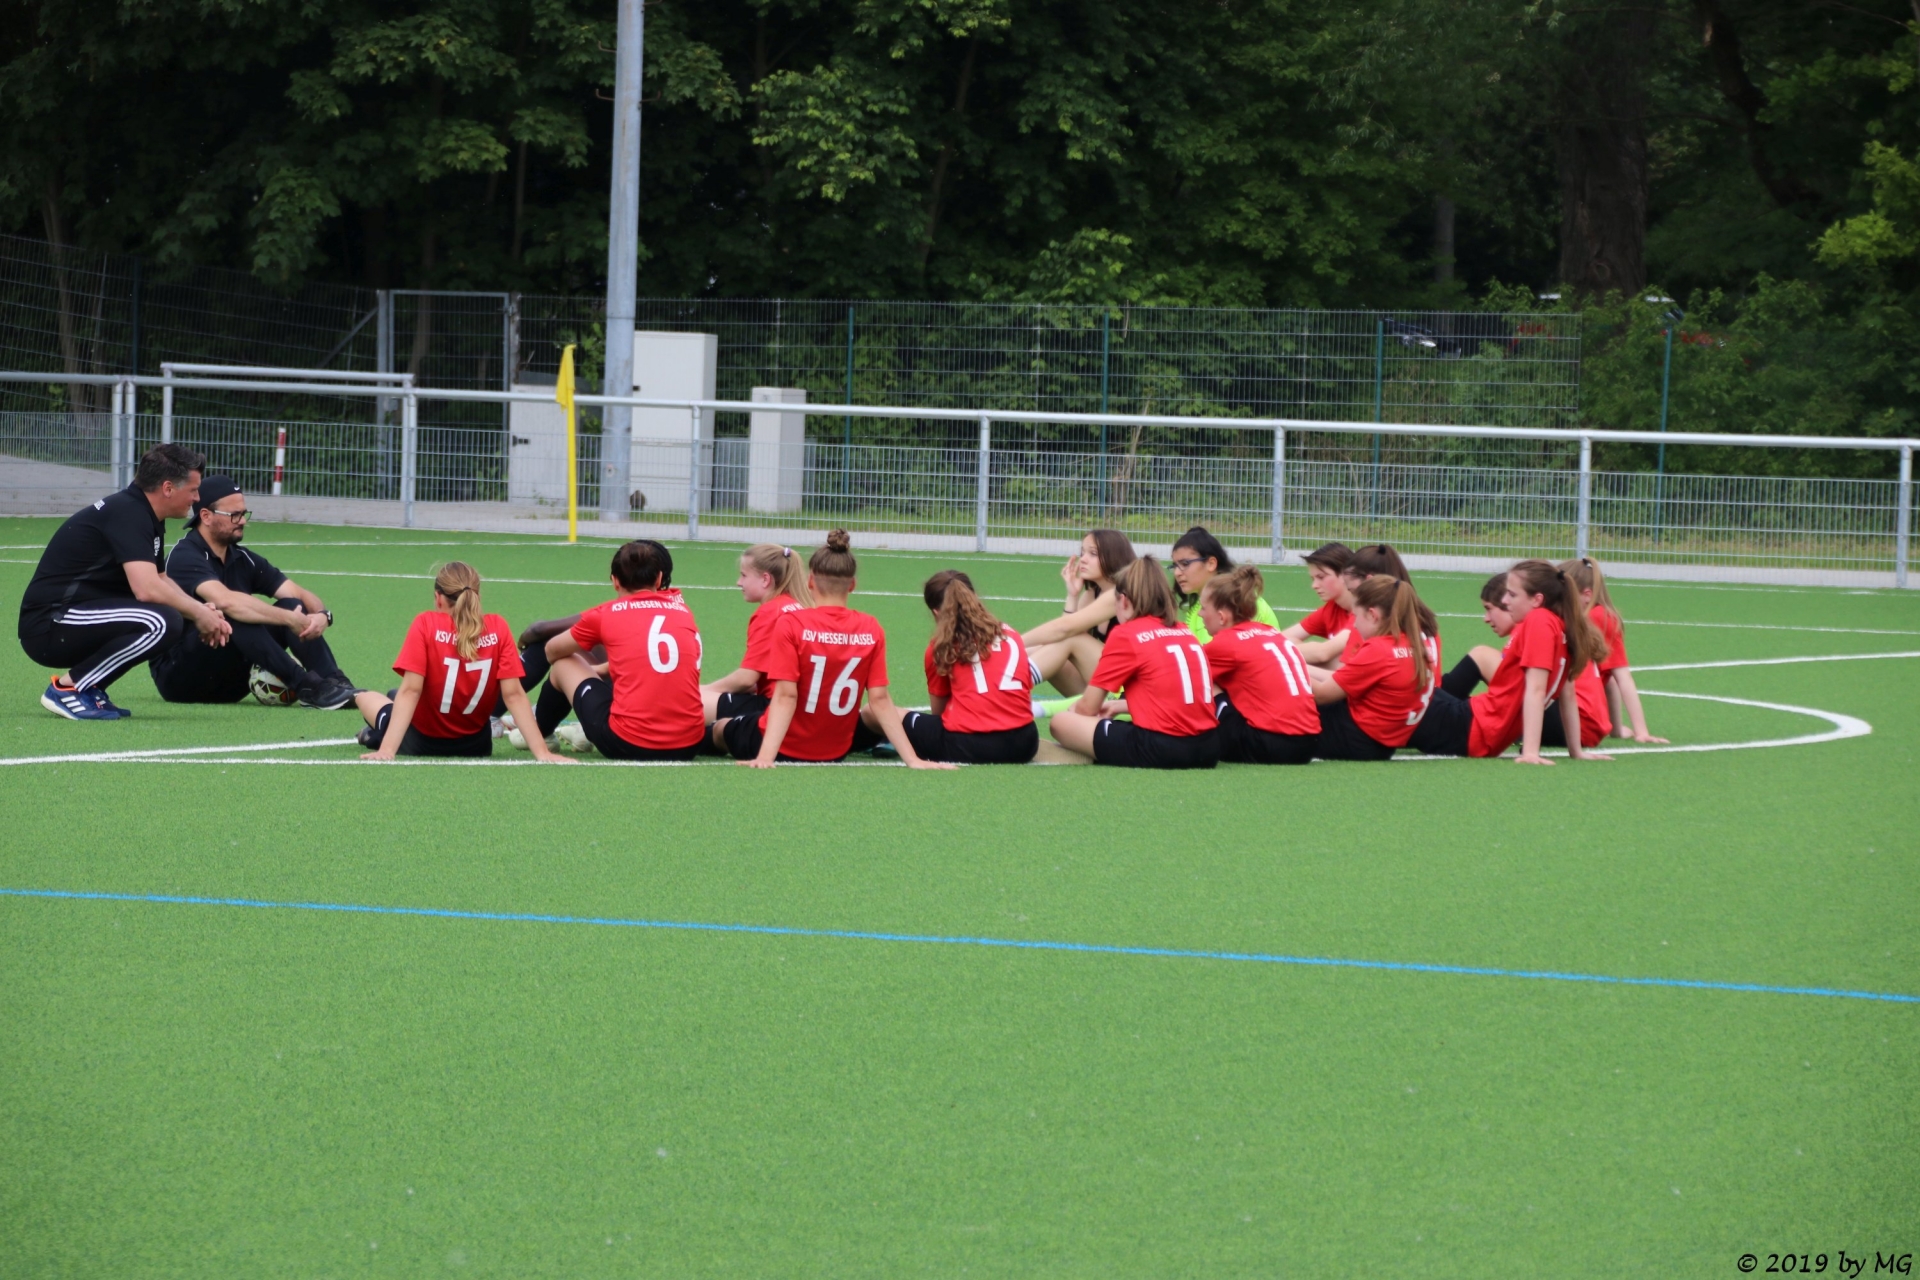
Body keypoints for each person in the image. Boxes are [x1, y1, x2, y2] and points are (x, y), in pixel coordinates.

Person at [17, 443, 232, 720]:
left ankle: (91, 688)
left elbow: (160, 578)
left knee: (172, 614)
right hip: (49, 624)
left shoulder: (142, 512)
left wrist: (200, 609)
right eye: (193, 490)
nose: (197, 498)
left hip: (72, 616)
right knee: (162, 621)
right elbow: (147, 589)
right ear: (168, 488)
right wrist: (199, 614)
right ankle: (69, 689)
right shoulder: (129, 513)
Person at [715, 530, 949, 769]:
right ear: (853, 585)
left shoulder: (792, 623)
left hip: (785, 746)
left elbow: (786, 696)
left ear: (810, 581)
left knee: (720, 728)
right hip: (836, 751)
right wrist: (913, 760)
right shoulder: (871, 628)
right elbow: (879, 699)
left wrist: (766, 757)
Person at [149, 475, 357, 710]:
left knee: (291, 604)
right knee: (231, 614)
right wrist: (289, 619)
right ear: (205, 516)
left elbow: (298, 594)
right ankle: (307, 687)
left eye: (243, 514)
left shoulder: (243, 558)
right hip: (180, 678)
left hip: (230, 682)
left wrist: (321, 615)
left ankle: (335, 683)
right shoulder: (184, 556)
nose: (242, 521)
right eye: (234, 515)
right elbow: (226, 601)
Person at [353, 562, 569, 763]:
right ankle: (376, 731)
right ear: (477, 596)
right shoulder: (498, 627)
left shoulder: (425, 624)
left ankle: (369, 723)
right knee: (396, 695)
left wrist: (387, 750)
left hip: (421, 742)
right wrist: (542, 753)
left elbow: (411, 691)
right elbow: (514, 695)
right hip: (475, 745)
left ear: (438, 598)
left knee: (368, 699)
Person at [1408, 559, 1610, 765]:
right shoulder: (1560, 624)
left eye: (1512, 595)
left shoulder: (1540, 620)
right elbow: (1567, 695)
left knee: (1403, 695)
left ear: (1537, 600)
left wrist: (1530, 752)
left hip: (1468, 729)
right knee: (1414, 692)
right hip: (1471, 723)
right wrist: (1576, 751)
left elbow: (1536, 690)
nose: (1505, 600)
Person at [1047, 557, 1221, 768]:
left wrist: (1076, 712)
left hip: (1164, 748)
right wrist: (1118, 705)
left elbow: (1087, 709)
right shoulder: (1182, 630)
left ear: (1124, 600)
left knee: (1061, 722)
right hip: (1209, 746)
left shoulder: (1127, 634)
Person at [542, 540, 708, 761]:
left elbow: (551, 650)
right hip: (689, 746)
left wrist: (586, 670)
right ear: (659, 579)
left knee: (562, 664)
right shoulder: (683, 610)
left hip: (630, 744)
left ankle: (542, 735)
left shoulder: (607, 613)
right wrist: (601, 670)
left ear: (615, 581)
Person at [875, 570, 1039, 764]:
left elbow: (939, 714)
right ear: (974, 598)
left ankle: (856, 742)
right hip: (1025, 742)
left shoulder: (939, 648)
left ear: (936, 613)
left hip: (968, 745)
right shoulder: (1010, 633)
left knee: (873, 711)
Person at [1307, 574, 1438, 761]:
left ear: (1372, 615)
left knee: (1287, 712)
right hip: (1383, 741)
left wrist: (1285, 664)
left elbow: (1321, 694)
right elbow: (1343, 680)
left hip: (1357, 739)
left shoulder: (1379, 649)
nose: (1354, 625)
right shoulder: (1416, 644)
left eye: (1356, 617)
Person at [1199, 565, 1319, 764]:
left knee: (1202, 680)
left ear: (1221, 616)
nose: (1200, 614)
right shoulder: (1270, 632)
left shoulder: (1225, 643)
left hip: (1268, 743)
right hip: (1310, 743)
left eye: (1203, 608)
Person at [700, 542, 813, 725]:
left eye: (744, 575)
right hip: (806, 706)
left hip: (776, 707)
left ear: (765, 579)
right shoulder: (800, 606)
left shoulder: (770, 612)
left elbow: (747, 679)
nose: (739, 582)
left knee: (691, 702)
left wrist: (708, 689)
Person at [1560, 556, 1666, 744]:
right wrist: (1619, 729)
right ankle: (1617, 728)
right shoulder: (1597, 615)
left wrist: (1641, 731)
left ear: (1586, 594)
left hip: (1571, 709)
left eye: (1563, 594)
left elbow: (1621, 678)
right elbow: (1611, 677)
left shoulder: (1596, 617)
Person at [1022, 529, 1137, 695]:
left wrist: (1014, 643)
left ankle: (1007, 685)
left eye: (1093, 554)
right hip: (1111, 684)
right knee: (1055, 650)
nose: (1082, 559)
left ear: (1114, 557)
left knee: (1072, 638)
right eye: (1082, 552)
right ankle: (1001, 677)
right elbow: (1062, 635)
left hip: (1133, 686)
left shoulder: (1121, 594)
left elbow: (1065, 629)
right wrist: (1073, 595)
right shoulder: (1093, 593)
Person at [1169, 526, 1280, 641]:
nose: (1177, 573)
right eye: (1175, 565)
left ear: (1211, 564)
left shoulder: (1238, 601)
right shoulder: (1200, 607)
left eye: (1185, 564)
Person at [1280, 542, 1356, 667]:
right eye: (1313, 579)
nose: (1314, 585)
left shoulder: (1366, 612)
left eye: (1321, 577)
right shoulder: (1332, 608)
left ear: (1345, 575)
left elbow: (1323, 653)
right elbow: (1280, 639)